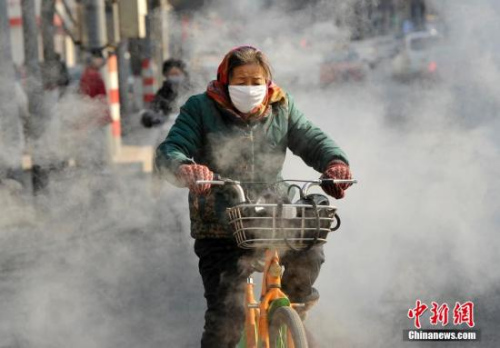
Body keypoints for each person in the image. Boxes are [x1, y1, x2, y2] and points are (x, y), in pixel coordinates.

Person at [155, 46, 353, 347]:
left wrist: (335, 163)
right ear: (224, 80)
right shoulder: (199, 108)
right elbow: (171, 148)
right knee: (225, 321)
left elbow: (312, 139)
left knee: (310, 248)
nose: (250, 88)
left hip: (274, 214)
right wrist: (186, 168)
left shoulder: (281, 107)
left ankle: (293, 312)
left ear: (267, 81)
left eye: (256, 81)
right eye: (241, 81)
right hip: (219, 225)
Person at [141, 59, 190, 128]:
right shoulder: (163, 93)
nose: (174, 77)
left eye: (176, 74)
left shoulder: (192, 90)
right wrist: (149, 117)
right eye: (171, 74)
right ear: (166, 75)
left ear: (183, 74)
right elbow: (153, 109)